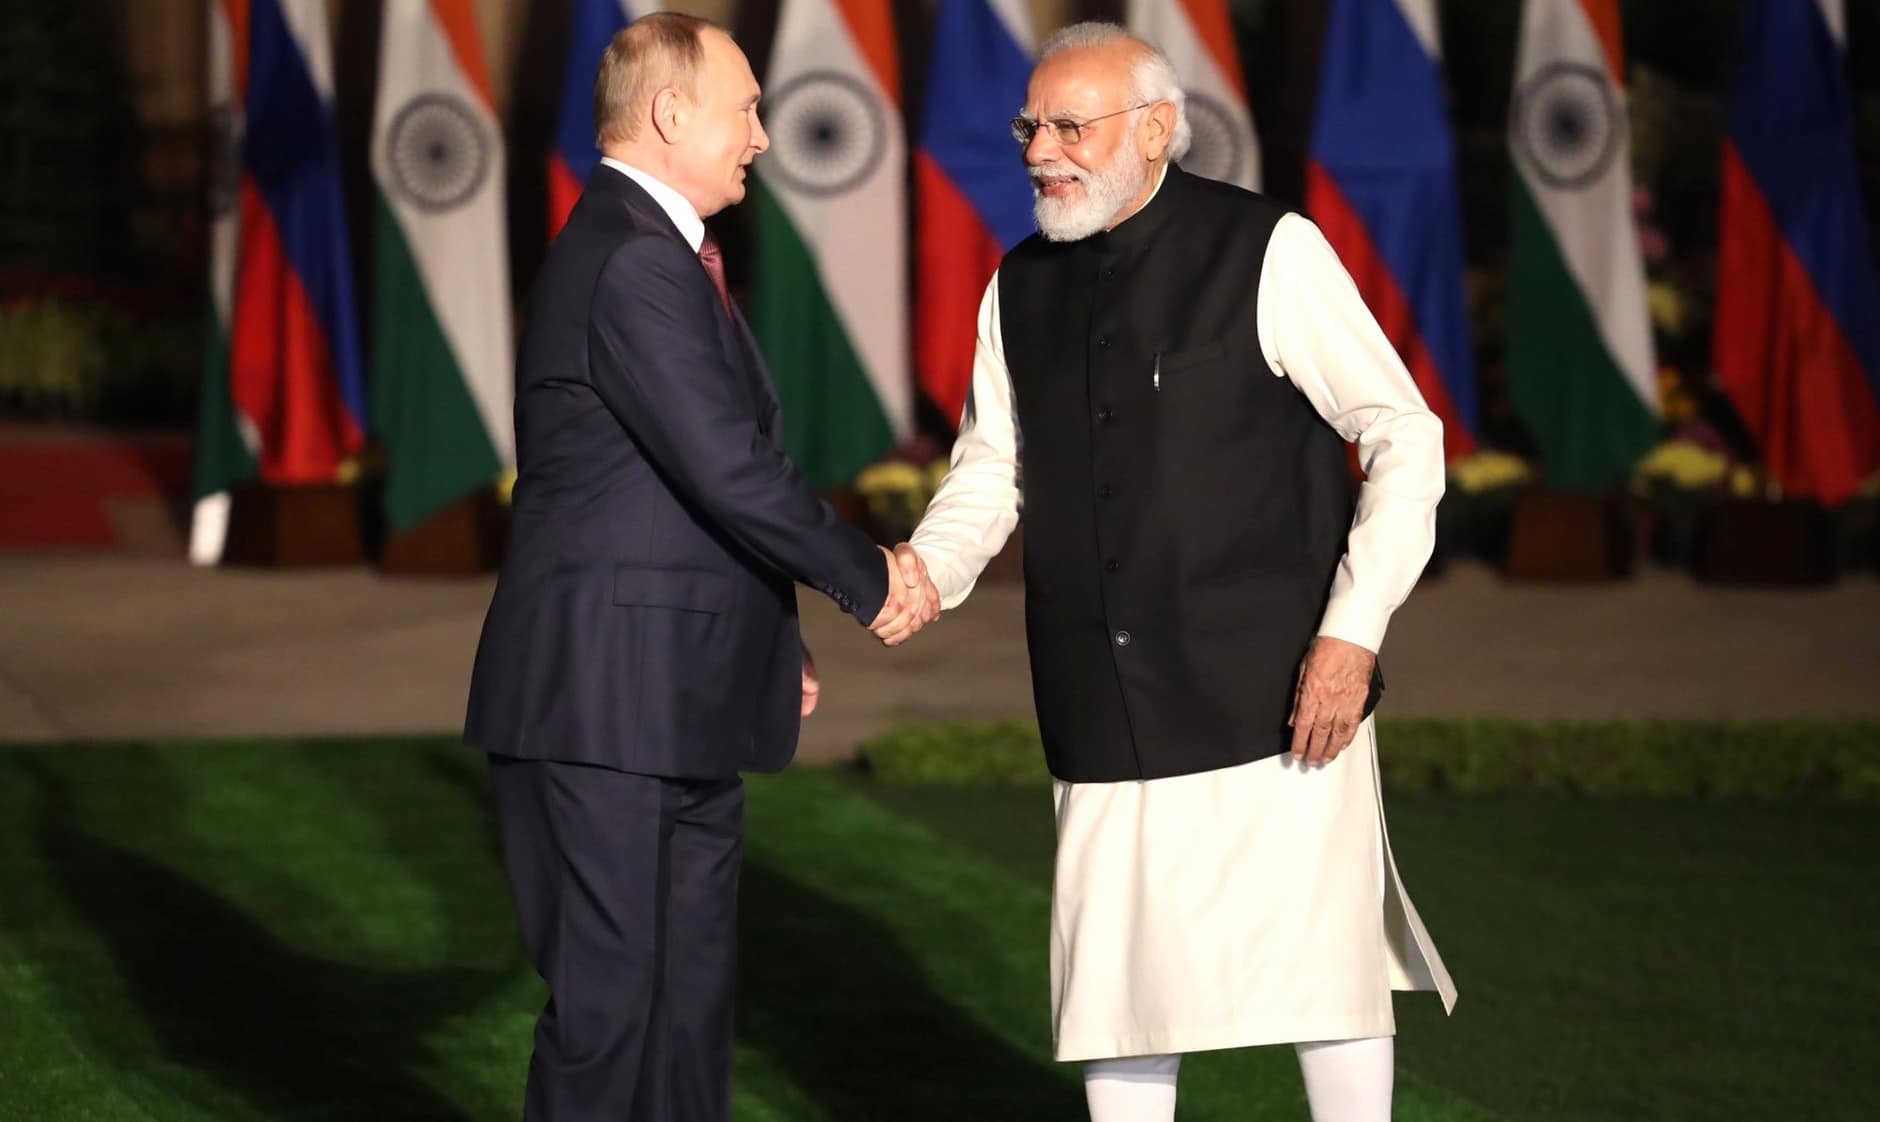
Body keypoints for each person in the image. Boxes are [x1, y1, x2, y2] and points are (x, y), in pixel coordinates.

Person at [901, 22, 1457, 1122]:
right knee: (1122, 997)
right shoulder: (1015, 288)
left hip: (1278, 690)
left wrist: (1352, 633)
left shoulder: (1268, 248)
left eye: (1070, 125)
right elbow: (989, 469)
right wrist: (920, 572)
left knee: (1326, 980)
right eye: (1029, 126)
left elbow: (1404, 435)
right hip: (1098, 700)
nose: (1038, 151)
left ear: (1154, 129)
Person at [463, 14, 936, 1122]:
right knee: (612, 1014)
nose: (762, 138)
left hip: (671, 697)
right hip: (602, 706)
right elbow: (726, 468)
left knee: (681, 1016)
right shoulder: (634, 258)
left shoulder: (649, 251)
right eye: (747, 109)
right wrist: (869, 577)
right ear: (672, 114)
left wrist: (771, 633)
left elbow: (676, 486)